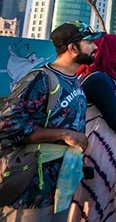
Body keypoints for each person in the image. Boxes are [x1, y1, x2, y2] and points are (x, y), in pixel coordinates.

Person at [0, 21, 100, 222]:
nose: (95, 47)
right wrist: (65, 134)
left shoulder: (73, 80)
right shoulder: (41, 79)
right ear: (72, 48)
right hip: (33, 191)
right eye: (89, 42)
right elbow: (7, 125)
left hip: (61, 186)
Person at [68, 34, 116, 222]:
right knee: (92, 200)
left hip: (105, 151)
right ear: (108, 51)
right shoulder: (98, 79)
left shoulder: (106, 78)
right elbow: (114, 118)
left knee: (100, 197)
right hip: (95, 152)